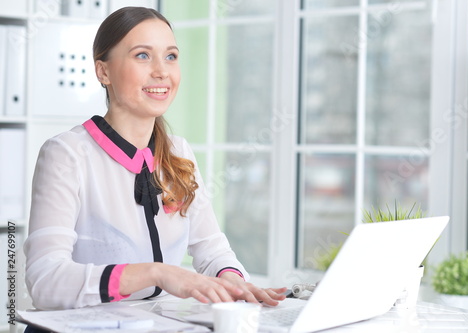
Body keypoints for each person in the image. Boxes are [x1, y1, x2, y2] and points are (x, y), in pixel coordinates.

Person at [24, 6, 286, 317]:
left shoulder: (179, 153)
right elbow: (44, 280)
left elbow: (211, 249)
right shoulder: (66, 154)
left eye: (171, 56)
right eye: (143, 56)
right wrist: (157, 273)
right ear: (103, 71)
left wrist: (231, 282)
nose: (162, 71)